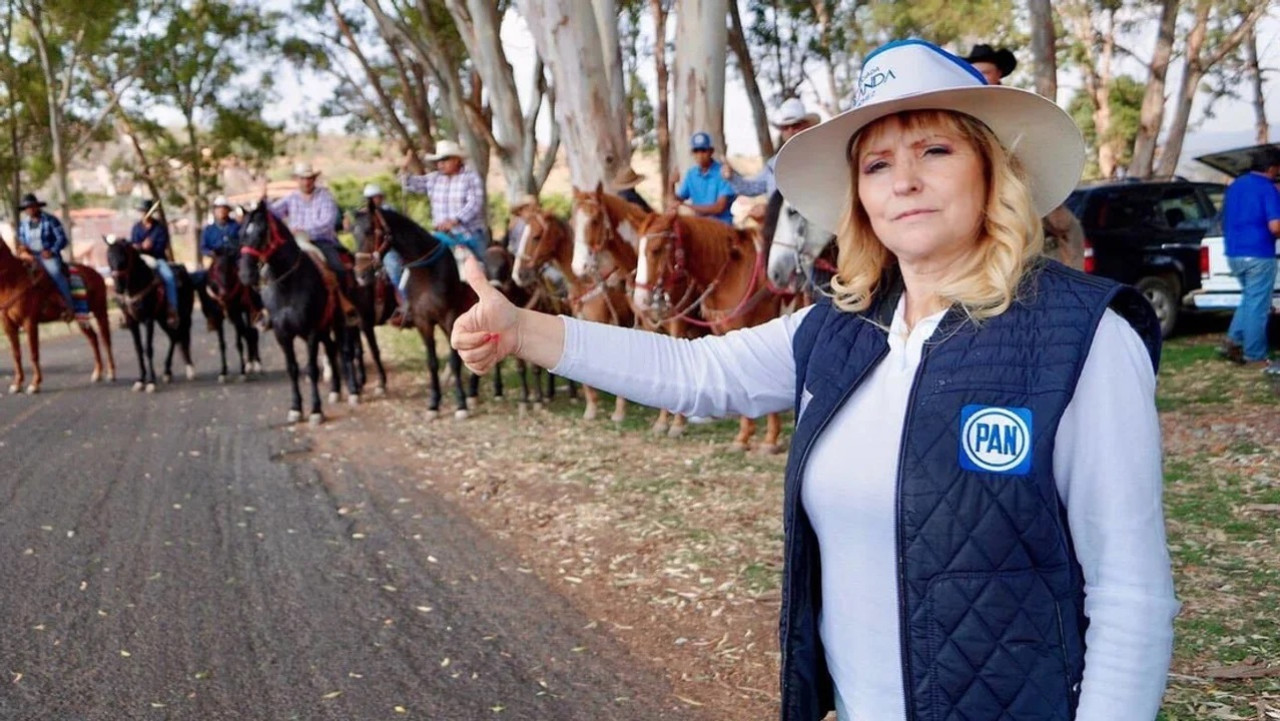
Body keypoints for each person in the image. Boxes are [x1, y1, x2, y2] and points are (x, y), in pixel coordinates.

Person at [450, 39, 1178, 721]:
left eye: (935, 149)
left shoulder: (1082, 337)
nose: (907, 181)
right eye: (878, 164)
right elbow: (694, 371)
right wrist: (523, 330)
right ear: (859, 196)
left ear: (991, 169)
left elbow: (1131, 595)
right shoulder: (836, 328)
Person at [1219, 146, 1280, 374]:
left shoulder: (1235, 186)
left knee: (1250, 300)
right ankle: (1254, 355)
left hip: (1234, 253)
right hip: (1259, 254)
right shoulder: (1267, 189)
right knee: (1258, 306)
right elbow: (1275, 226)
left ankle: (1232, 340)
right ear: (1272, 167)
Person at [721, 97, 821, 222]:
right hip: (781, 230)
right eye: (785, 127)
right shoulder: (773, 165)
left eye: (795, 125)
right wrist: (732, 176)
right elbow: (751, 188)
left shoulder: (820, 158)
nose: (790, 131)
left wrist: (768, 208)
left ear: (807, 126)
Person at [400, 140, 488, 261]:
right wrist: (404, 171)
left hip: (469, 234)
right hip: (442, 236)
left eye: (445, 159)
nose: (440, 164)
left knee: (482, 270)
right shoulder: (434, 178)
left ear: (457, 160)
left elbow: (475, 203)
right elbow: (411, 184)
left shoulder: (470, 177)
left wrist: (455, 220)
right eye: (438, 161)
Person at [270, 162, 348, 280]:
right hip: (295, 242)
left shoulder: (325, 196)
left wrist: (303, 231)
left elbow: (327, 223)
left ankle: (341, 296)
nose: (306, 182)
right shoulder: (291, 197)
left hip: (321, 241)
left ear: (314, 179)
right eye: (302, 179)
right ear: (297, 179)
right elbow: (273, 212)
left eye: (309, 178)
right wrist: (262, 202)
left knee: (338, 269)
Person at [15, 193, 74, 320]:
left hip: (48, 256)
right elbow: (21, 240)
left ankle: (70, 306)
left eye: (32, 206)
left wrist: (51, 251)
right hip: (30, 256)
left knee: (56, 274)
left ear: (37, 207)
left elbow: (62, 239)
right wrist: (23, 249)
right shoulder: (23, 224)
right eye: (27, 208)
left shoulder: (50, 220)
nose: (29, 210)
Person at [129, 199, 180, 324]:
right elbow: (133, 244)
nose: (143, 214)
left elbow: (162, 245)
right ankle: (126, 311)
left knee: (169, 277)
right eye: (141, 211)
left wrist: (151, 247)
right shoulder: (136, 227)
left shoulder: (159, 228)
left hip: (157, 258)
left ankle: (172, 308)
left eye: (145, 211)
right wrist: (141, 246)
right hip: (140, 259)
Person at [672, 131, 736, 225]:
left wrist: (689, 208)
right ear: (692, 153)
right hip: (700, 226)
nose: (700, 155)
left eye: (703, 150)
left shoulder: (722, 172)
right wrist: (671, 184)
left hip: (721, 226)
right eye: (696, 151)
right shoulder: (691, 174)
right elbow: (677, 200)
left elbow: (719, 207)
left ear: (711, 151)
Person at [200, 195, 241, 260]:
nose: (221, 210)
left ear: (228, 210)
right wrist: (211, 253)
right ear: (214, 210)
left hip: (235, 260)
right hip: (217, 261)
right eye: (218, 208)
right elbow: (203, 248)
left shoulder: (237, 227)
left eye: (224, 208)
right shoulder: (208, 230)